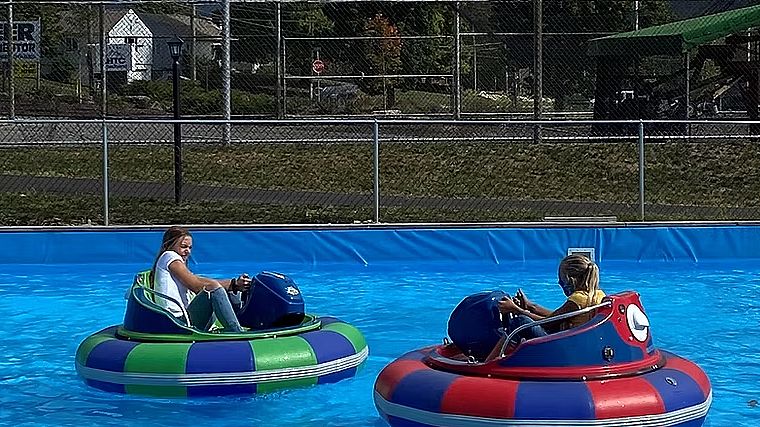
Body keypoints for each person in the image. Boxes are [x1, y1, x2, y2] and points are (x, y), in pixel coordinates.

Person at [486, 254, 606, 360]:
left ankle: (490, 362)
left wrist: (517, 310)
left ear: (570, 280)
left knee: (520, 322)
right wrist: (530, 306)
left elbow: (548, 323)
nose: (559, 283)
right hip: (581, 347)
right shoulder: (598, 295)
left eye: (561, 279)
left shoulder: (577, 300)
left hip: (566, 351)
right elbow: (556, 317)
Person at [151, 226, 251, 333]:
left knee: (230, 289)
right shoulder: (169, 256)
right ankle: (236, 331)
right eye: (183, 246)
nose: (188, 251)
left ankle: (241, 324)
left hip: (182, 320)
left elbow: (198, 280)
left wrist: (234, 285)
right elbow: (196, 286)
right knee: (213, 287)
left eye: (190, 248)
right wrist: (232, 284)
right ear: (168, 245)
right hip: (177, 323)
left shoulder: (173, 262)